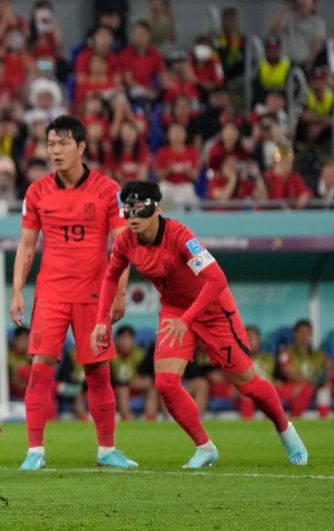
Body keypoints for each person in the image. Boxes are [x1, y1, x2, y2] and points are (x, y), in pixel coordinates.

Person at [91, 181, 308, 467]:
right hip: (174, 310)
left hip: (213, 309)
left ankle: (285, 430)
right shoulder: (125, 242)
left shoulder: (180, 235)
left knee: (247, 383)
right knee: (166, 383)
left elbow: (217, 279)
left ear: (158, 209)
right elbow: (110, 277)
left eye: (139, 209)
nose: (131, 217)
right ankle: (205, 448)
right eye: (127, 210)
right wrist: (100, 321)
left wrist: (188, 319)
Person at [10, 115, 136, 471]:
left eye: (63, 143)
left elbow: (122, 245)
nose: (55, 150)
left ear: (81, 147)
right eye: (51, 144)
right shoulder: (36, 192)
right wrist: (18, 292)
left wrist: (121, 294)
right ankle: (35, 451)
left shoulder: (109, 190)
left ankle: (106, 450)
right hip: (50, 294)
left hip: (94, 296)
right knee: (39, 369)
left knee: (98, 372)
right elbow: (26, 246)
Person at [275, 319, 330, 419]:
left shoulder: (320, 355)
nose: (304, 336)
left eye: (308, 332)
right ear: (294, 334)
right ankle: (293, 421)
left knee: (324, 391)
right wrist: (311, 383)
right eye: (301, 332)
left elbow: (329, 370)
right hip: (292, 388)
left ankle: (323, 423)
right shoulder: (286, 353)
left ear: (311, 335)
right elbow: (291, 375)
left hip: (311, 388)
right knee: (305, 390)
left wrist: (310, 384)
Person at [110, 325, 156, 420]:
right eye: (122, 338)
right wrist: (125, 382)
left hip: (134, 385)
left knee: (151, 389)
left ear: (133, 340)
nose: (125, 342)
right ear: (117, 341)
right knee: (123, 390)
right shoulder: (110, 354)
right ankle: (127, 419)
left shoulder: (139, 354)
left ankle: (150, 419)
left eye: (129, 339)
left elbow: (144, 373)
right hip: (116, 387)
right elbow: (108, 377)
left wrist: (144, 380)